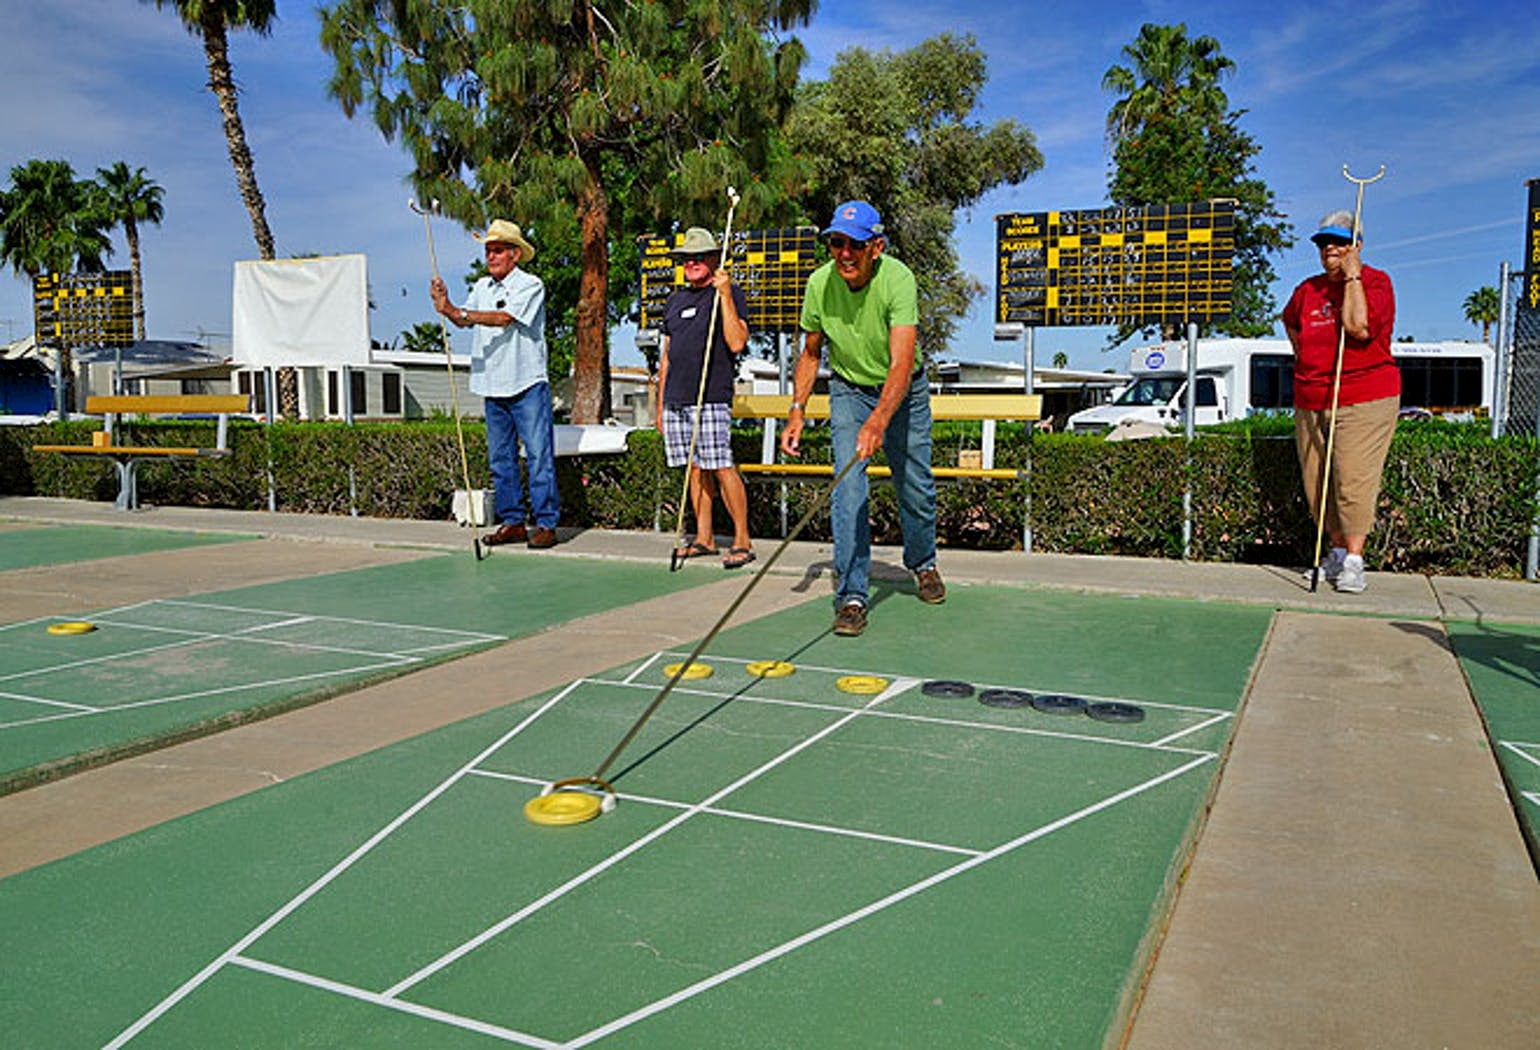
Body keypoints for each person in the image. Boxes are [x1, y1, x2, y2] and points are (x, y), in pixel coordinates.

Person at [780, 200, 944, 637]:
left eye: (854, 244)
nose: (844, 253)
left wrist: (879, 422)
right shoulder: (819, 284)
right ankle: (852, 595)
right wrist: (796, 410)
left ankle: (923, 562)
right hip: (849, 389)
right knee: (847, 488)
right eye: (836, 243)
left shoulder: (898, 279)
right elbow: (811, 353)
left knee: (916, 488)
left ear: (876, 247)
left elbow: (901, 363)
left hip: (904, 390)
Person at [1282, 209, 1400, 594]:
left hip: (1364, 396)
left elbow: (1359, 327)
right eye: (1323, 243)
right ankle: (1333, 552)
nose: (1329, 248)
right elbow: (1290, 322)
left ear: (1357, 246)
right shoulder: (1306, 290)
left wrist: (1352, 275)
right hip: (1311, 396)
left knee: (1352, 478)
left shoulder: (1377, 283)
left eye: (1339, 241)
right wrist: (1303, 359)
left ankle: (1354, 560)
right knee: (1318, 484)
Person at [430, 219, 560, 549]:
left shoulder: (530, 284)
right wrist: (446, 309)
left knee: (538, 456)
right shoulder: (481, 287)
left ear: (515, 254)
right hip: (491, 383)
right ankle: (513, 521)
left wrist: (461, 313)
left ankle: (546, 524)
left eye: (498, 250)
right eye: (488, 250)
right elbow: (463, 320)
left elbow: (503, 319)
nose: (491, 256)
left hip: (527, 382)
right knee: (500, 459)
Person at [657, 226, 756, 568]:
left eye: (700, 257)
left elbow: (737, 342)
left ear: (714, 259)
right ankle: (704, 537)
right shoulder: (674, 301)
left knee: (721, 465)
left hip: (711, 395)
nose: (692, 263)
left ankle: (743, 539)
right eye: (687, 258)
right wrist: (660, 404)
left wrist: (726, 295)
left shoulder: (728, 293)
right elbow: (667, 355)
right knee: (694, 469)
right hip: (677, 398)